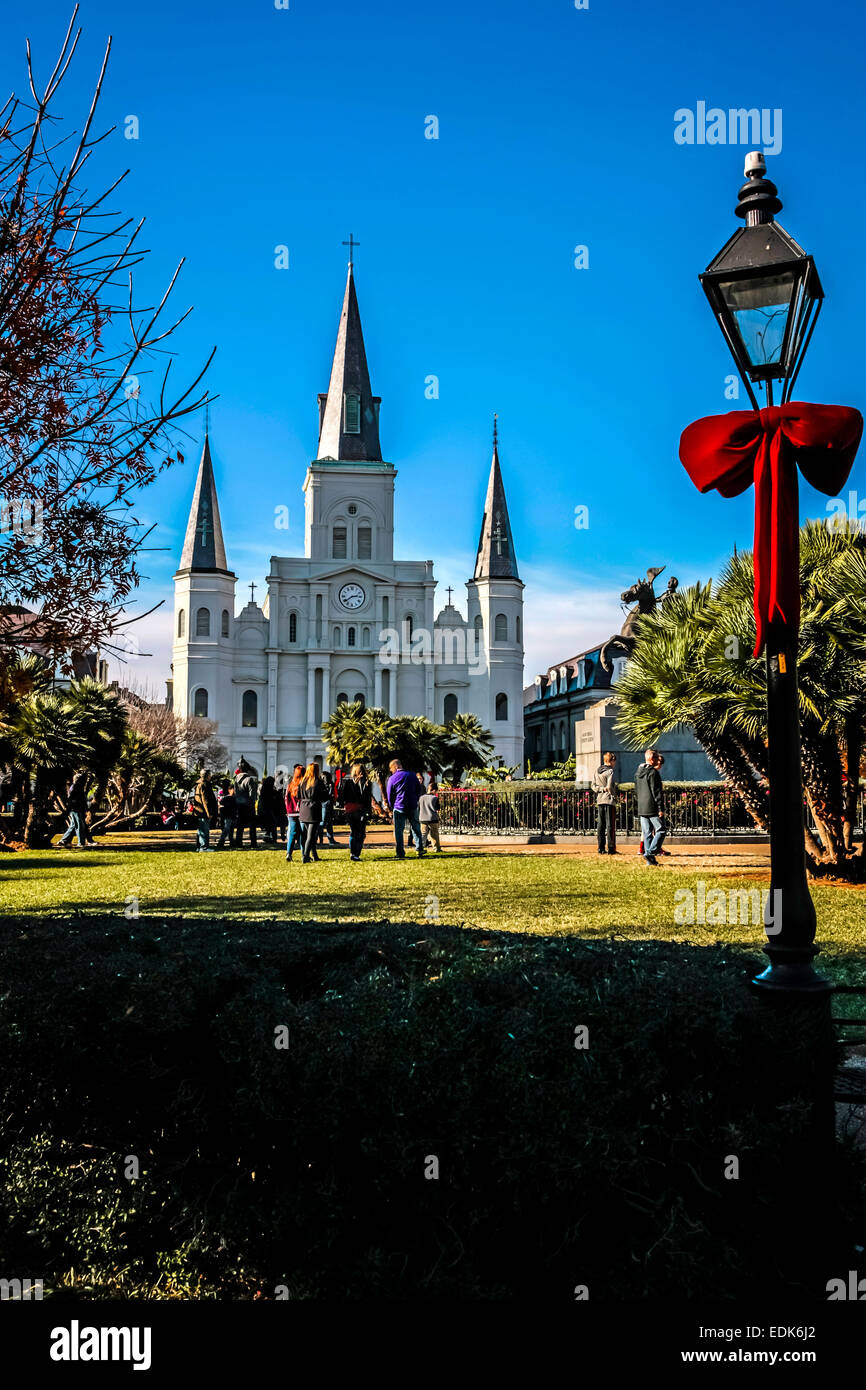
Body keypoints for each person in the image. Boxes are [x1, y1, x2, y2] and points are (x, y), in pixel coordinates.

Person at [385, 758, 425, 858]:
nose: (391, 771)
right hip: (412, 806)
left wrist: (391, 805)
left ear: (395, 766)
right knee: (416, 827)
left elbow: (389, 795)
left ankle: (400, 852)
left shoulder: (392, 778)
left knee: (399, 830)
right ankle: (419, 849)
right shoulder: (412, 775)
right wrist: (415, 799)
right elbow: (418, 789)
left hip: (399, 807)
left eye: (391, 768)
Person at [337, 762, 377, 861]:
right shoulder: (353, 783)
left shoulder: (364, 783)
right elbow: (345, 797)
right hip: (355, 810)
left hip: (356, 810)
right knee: (357, 832)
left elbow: (366, 798)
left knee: (357, 832)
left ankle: (355, 853)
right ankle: (355, 853)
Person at [635, 748, 666, 866]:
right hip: (652, 807)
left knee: (647, 833)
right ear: (652, 759)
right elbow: (657, 792)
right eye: (657, 757)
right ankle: (650, 853)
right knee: (661, 830)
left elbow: (636, 790)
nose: (658, 759)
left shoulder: (638, 772)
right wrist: (660, 808)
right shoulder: (653, 772)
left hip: (642, 807)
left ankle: (650, 861)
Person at [298, 763, 329, 862]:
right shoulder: (318, 782)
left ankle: (314, 855)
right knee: (311, 836)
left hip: (303, 808)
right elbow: (325, 797)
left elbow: (298, 795)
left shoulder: (302, 781)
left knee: (309, 834)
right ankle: (306, 855)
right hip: (314, 808)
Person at [592, 752, 618, 855]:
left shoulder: (597, 771)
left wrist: (601, 789)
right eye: (614, 761)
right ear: (611, 761)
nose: (614, 763)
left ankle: (601, 847)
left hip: (600, 799)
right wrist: (614, 795)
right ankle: (611, 848)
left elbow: (593, 786)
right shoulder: (610, 771)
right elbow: (610, 786)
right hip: (609, 800)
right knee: (610, 825)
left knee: (601, 825)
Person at [58, 771, 89, 848]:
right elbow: (71, 799)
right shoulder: (75, 787)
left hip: (79, 809)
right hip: (75, 809)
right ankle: (81, 842)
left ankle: (63, 840)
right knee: (79, 825)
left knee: (73, 825)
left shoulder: (79, 787)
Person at [233, 758, 259, 849]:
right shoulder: (249, 780)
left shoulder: (236, 779)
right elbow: (253, 795)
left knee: (240, 826)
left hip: (240, 805)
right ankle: (253, 843)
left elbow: (236, 793)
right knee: (252, 826)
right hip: (248, 805)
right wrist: (252, 804)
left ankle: (238, 843)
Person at [192, 769, 218, 851]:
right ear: (207, 775)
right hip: (203, 811)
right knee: (204, 830)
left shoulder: (199, 784)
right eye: (210, 774)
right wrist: (209, 812)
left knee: (200, 830)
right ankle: (204, 847)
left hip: (199, 811)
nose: (211, 776)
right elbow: (205, 800)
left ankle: (199, 846)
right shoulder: (204, 784)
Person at [284, 764, 305, 862]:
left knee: (292, 833)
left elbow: (286, 799)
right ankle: (304, 854)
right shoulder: (303, 785)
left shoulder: (290, 785)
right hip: (301, 812)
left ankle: (289, 853)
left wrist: (288, 810)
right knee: (302, 833)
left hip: (291, 812)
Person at [418, 777, 442, 852]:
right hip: (432, 818)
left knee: (423, 834)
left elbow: (419, 807)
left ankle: (420, 848)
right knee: (434, 834)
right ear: (434, 790)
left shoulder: (421, 798)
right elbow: (437, 808)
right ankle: (436, 848)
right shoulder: (434, 798)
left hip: (422, 818)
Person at [316, 770, 338, 847]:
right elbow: (326, 796)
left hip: (329, 805)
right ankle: (320, 839)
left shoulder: (329, 784)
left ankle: (330, 839)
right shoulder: (321, 785)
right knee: (322, 823)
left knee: (329, 823)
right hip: (324, 804)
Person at [257, 775, 280, 845]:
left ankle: (268, 837)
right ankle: (274, 838)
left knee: (268, 825)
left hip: (264, 809)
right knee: (272, 824)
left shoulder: (263, 790)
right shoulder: (271, 791)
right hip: (269, 809)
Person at [215, 782, 237, 849]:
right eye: (234, 789)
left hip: (231, 816)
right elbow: (221, 807)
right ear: (230, 790)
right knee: (227, 829)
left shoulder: (231, 798)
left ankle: (231, 842)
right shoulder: (228, 798)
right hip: (228, 816)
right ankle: (221, 842)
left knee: (231, 830)